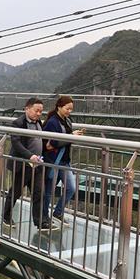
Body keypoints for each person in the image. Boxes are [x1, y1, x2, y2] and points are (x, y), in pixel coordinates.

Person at [2, 97, 53, 230]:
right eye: (36, 111)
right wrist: (30, 156)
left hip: (37, 164)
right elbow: (16, 143)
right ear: (27, 109)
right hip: (23, 164)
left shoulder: (39, 123)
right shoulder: (18, 123)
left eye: (41, 111)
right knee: (16, 192)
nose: (38, 114)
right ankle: (6, 217)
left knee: (38, 192)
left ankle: (40, 222)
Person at [42, 95, 84, 226]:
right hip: (53, 160)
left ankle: (57, 212)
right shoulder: (52, 122)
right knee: (49, 191)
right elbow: (50, 143)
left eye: (71, 109)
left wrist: (73, 135)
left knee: (71, 188)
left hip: (64, 160)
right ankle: (43, 218)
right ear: (59, 107)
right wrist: (71, 136)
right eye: (67, 108)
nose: (69, 111)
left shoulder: (66, 120)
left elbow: (63, 138)